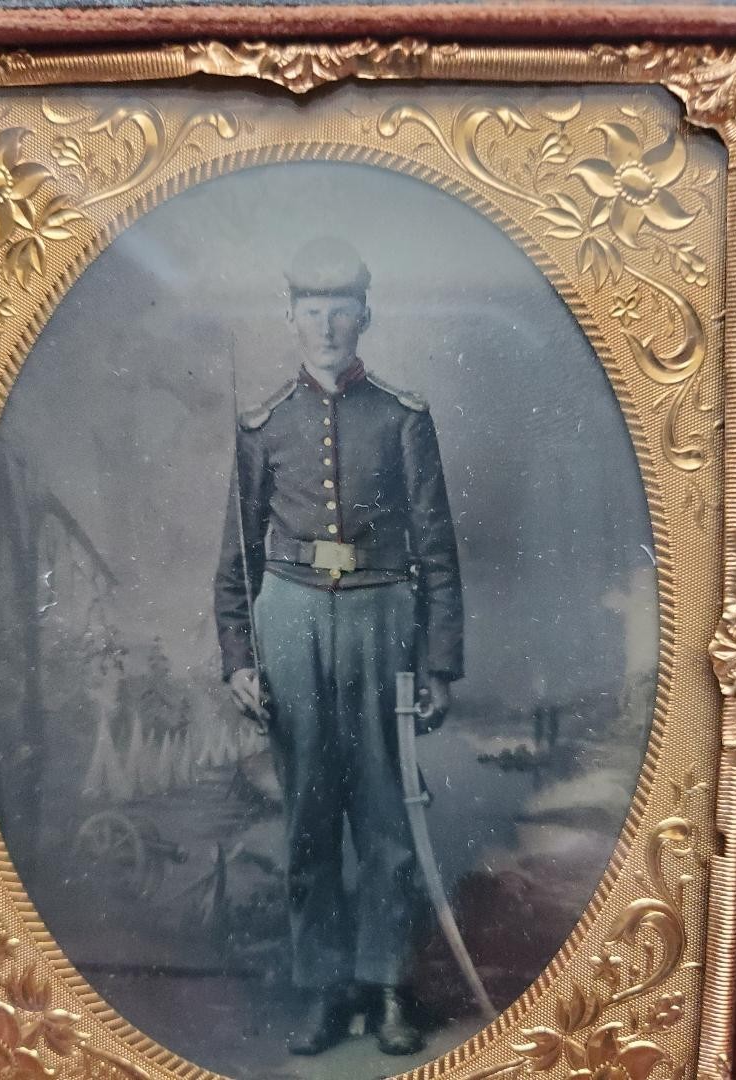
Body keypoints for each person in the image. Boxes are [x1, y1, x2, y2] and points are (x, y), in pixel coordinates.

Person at [214, 237, 463, 1057]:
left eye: (340, 308)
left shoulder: (402, 417)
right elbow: (236, 559)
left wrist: (437, 664)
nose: (326, 325)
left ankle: (388, 987)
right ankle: (326, 988)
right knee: (309, 816)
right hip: (289, 622)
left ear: (366, 313)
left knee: (387, 815)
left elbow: (437, 549)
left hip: (382, 619)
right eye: (310, 309)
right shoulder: (263, 424)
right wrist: (241, 659)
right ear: (290, 316)